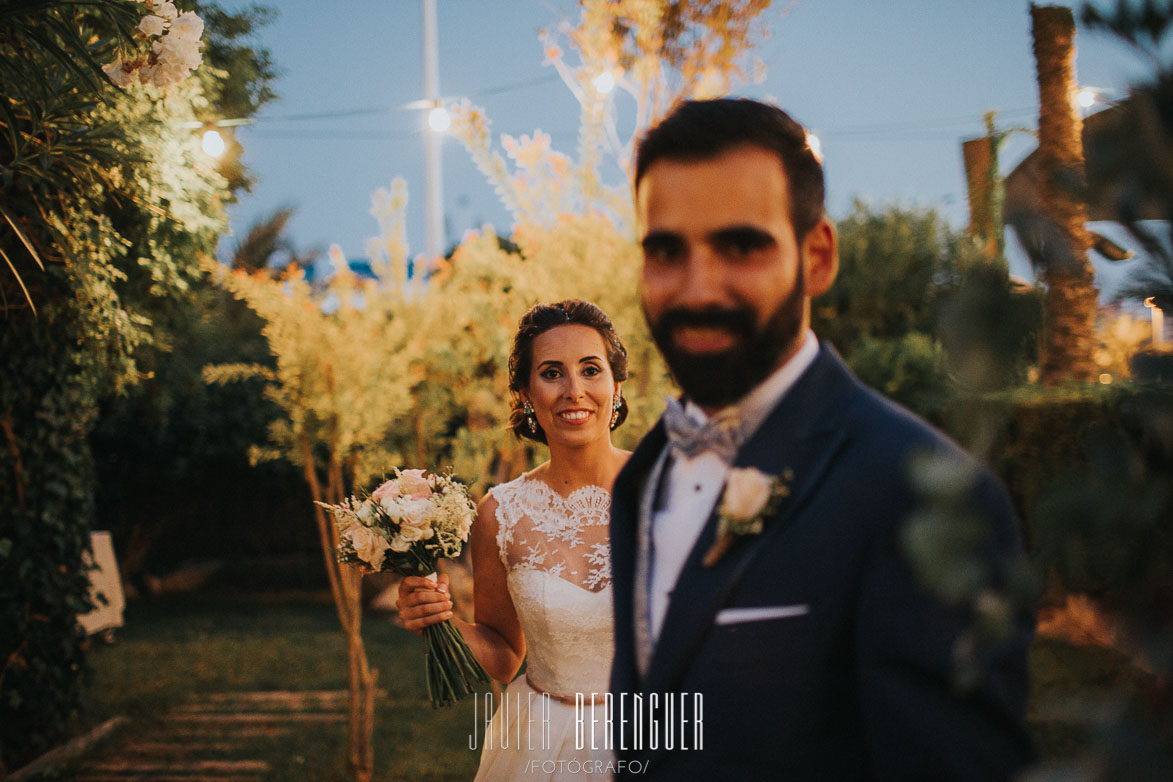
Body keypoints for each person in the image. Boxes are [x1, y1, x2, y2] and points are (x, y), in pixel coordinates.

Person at [608, 98, 1036, 779]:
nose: (696, 288)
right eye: (665, 251)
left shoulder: (920, 494)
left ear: (817, 256)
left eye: (740, 245)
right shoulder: (641, 477)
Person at [397, 299, 631, 781]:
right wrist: (439, 620)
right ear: (526, 394)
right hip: (539, 745)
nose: (574, 391)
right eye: (552, 373)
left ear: (616, 385)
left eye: (591, 370)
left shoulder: (673, 490)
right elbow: (505, 657)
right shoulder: (500, 513)